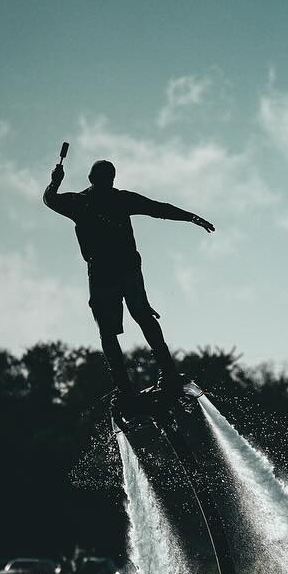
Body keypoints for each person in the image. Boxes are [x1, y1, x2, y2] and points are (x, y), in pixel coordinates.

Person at [44, 158, 215, 412]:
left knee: (117, 329)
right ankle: (160, 375)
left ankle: (129, 386)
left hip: (109, 272)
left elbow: (50, 199)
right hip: (121, 271)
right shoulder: (112, 199)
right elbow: (159, 208)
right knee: (138, 319)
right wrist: (190, 217)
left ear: (92, 179)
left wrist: (54, 183)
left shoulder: (81, 202)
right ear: (106, 179)